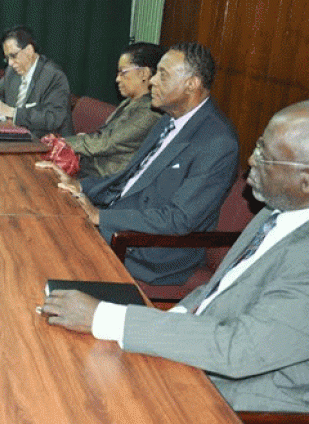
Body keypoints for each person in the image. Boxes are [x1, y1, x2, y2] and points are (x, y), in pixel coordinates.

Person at [42, 100, 309, 413]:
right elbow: (216, 292)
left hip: (241, 395)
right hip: (201, 345)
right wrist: (160, 324)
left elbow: (239, 349)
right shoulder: (277, 211)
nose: (250, 161)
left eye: (265, 156)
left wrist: (105, 318)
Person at [40, 42, 238, 286]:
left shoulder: (217, 142)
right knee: (42, 217)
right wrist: (81, 188)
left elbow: (179, 219)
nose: (153, 81)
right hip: (120, 218)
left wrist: (100, 217)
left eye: (162, 74)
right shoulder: (168, 120)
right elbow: (128, 178)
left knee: (46, 246)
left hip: (148, 249)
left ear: (192, 84)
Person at [37, 42, 165, 177]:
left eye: (123, 72)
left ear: (144, 73)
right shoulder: (131, 102)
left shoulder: (150, 111)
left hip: (102, 181)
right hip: (88, 168)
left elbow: (105, 143)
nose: (117, 79)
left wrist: (60, 143)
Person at [0, 25, 74, 137]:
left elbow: (53, 118)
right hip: (16, 137)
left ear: (29, 50)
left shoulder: (54, 76)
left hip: (47, 145)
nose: (10, 63)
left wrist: (12, 112)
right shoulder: (12, 72)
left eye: (13, 56)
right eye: (7, 58)